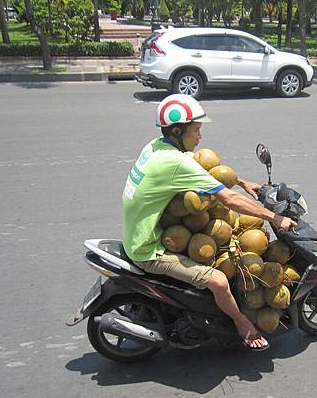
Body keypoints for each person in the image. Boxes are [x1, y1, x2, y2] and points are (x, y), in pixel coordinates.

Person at [121, 94, 296, 351]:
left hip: (138, 231)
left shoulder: (157, 147)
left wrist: (243, 181)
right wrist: (274, 217)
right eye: (196, 130)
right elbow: (228, 198)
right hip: (147, 249)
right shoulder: (176, 162)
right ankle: (242, 324)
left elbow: (204, 171)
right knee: (219, 281)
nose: (200, 137)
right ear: (177, 131)